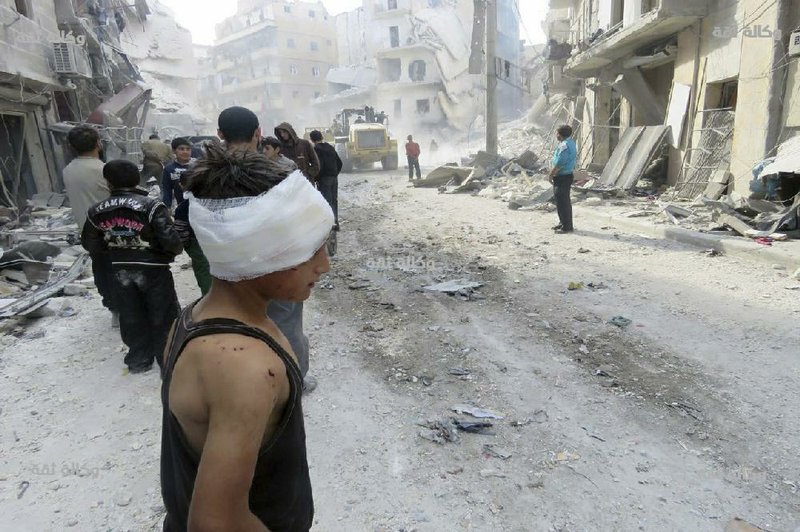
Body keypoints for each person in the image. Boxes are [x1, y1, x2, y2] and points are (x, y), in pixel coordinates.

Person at [160, 142, 330, 532]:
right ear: (259, 254)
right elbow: (215, 523)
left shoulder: (194, 318)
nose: (325, 265)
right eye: (310, 251)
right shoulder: (244, 366)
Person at [225, 108, 317, 392]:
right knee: (286, 321)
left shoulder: (203, 174)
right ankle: (294, 380)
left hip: (231, 265)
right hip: (277, 260)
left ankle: (251, 380)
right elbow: (307, 217)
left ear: (220, 135)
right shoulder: (280, 172)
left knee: (241, 320)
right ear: (258, 133)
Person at [82, 160, 183, 374]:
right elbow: (172, 242)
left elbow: (90, 244)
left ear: (108, 183)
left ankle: (138, 360)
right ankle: (169, 361)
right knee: (163, 314)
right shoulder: (152, 206)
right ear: (138, 179)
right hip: (154, 269)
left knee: (130, 314)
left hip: (119, 269)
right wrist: (164, 256)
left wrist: (113, 252)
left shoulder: (96, 211)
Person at [62, 125, 118, 327]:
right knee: (118, 270)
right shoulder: (103, 169)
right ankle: (125, 309)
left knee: (101, 270)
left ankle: (114, 309)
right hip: (112, 229)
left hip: (87, 231)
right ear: (98, 143)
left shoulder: (68, 170)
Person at [173, 173, 211, 296]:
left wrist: (186, 245)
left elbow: (180, 232)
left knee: (203, 270)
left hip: (196, 244)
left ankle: (209, 299)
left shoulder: (182, 207)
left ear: (181, 185)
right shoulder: (212, 202)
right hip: (210, 241)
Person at [310, 129, 343, 231]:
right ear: (321, 137)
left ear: (311, 139)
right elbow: (340, 162)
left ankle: (331, 223)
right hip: (334, 178)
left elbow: (320, 165)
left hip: (324, 179)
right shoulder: (330, 147)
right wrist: (334, 173)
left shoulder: (316, 149)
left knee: (327, 201)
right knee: (334, 200)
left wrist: (316, 177)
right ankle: (335, 222)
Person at [549, 125, 578, 234]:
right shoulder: (570, 143)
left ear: (560, 135)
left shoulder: (564, 145)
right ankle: (563, 223)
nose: (556, 135)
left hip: (562, 176)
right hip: (566, 175)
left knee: (563, 201)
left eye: (557, 133)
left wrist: (551, 174)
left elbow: (560, 162)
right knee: (561, 201)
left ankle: (567, 226)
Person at [162, 138, 195, 209]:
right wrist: (167, 208)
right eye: (181, 149)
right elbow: (167, 191)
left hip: (200, 207)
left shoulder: (198, 166)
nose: (185, 152)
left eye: (188, 149)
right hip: (181, 207)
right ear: (174, 151)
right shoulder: (169, 169)